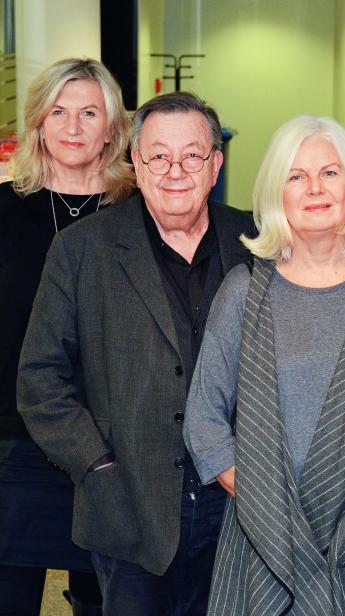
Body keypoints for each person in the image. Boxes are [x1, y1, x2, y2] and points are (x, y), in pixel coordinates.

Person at [183, 115, 345, 616]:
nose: (314, 188)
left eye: (329, 172)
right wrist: (267, 508)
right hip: (264, 542)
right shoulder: (243, 292)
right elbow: (204, 421)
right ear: (274, 193)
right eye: (296, 175)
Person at [17, 91, 255, 616]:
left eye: (191, 155)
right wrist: (95, 467)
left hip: (239, 508)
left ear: (215, 165)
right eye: (158, 156)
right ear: (136, 165)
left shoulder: (256, 242)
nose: (175, 171)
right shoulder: (82, 249)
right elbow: (40, 379)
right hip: (128, 508)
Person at [0, 57, 134, 616]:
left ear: (113, 126)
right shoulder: (4, 211)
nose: (73, 127)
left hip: (110, 447)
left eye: (88, 112)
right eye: (59, 111)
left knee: (106, 601)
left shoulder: (139, 212)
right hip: (13, 440)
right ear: (37, 122)